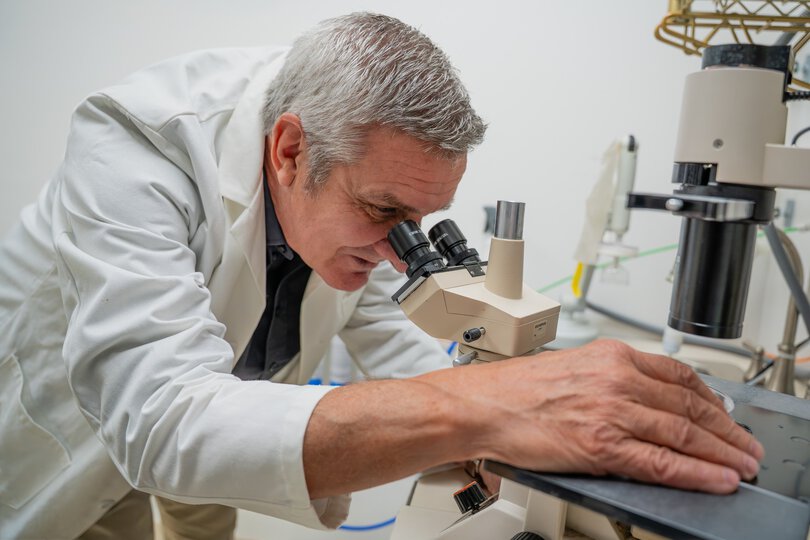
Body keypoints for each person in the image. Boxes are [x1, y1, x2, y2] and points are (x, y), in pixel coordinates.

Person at [0, 12, 763, 540]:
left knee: (203, 519)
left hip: (218, 411)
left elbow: (389, 336)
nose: (401, 252)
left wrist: (495, 419)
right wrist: (483, 407)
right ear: (290, 152)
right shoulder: (135, 147)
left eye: (419, 223)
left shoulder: (342, 176)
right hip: (71, 435)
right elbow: (160, 422)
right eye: (383, 212)